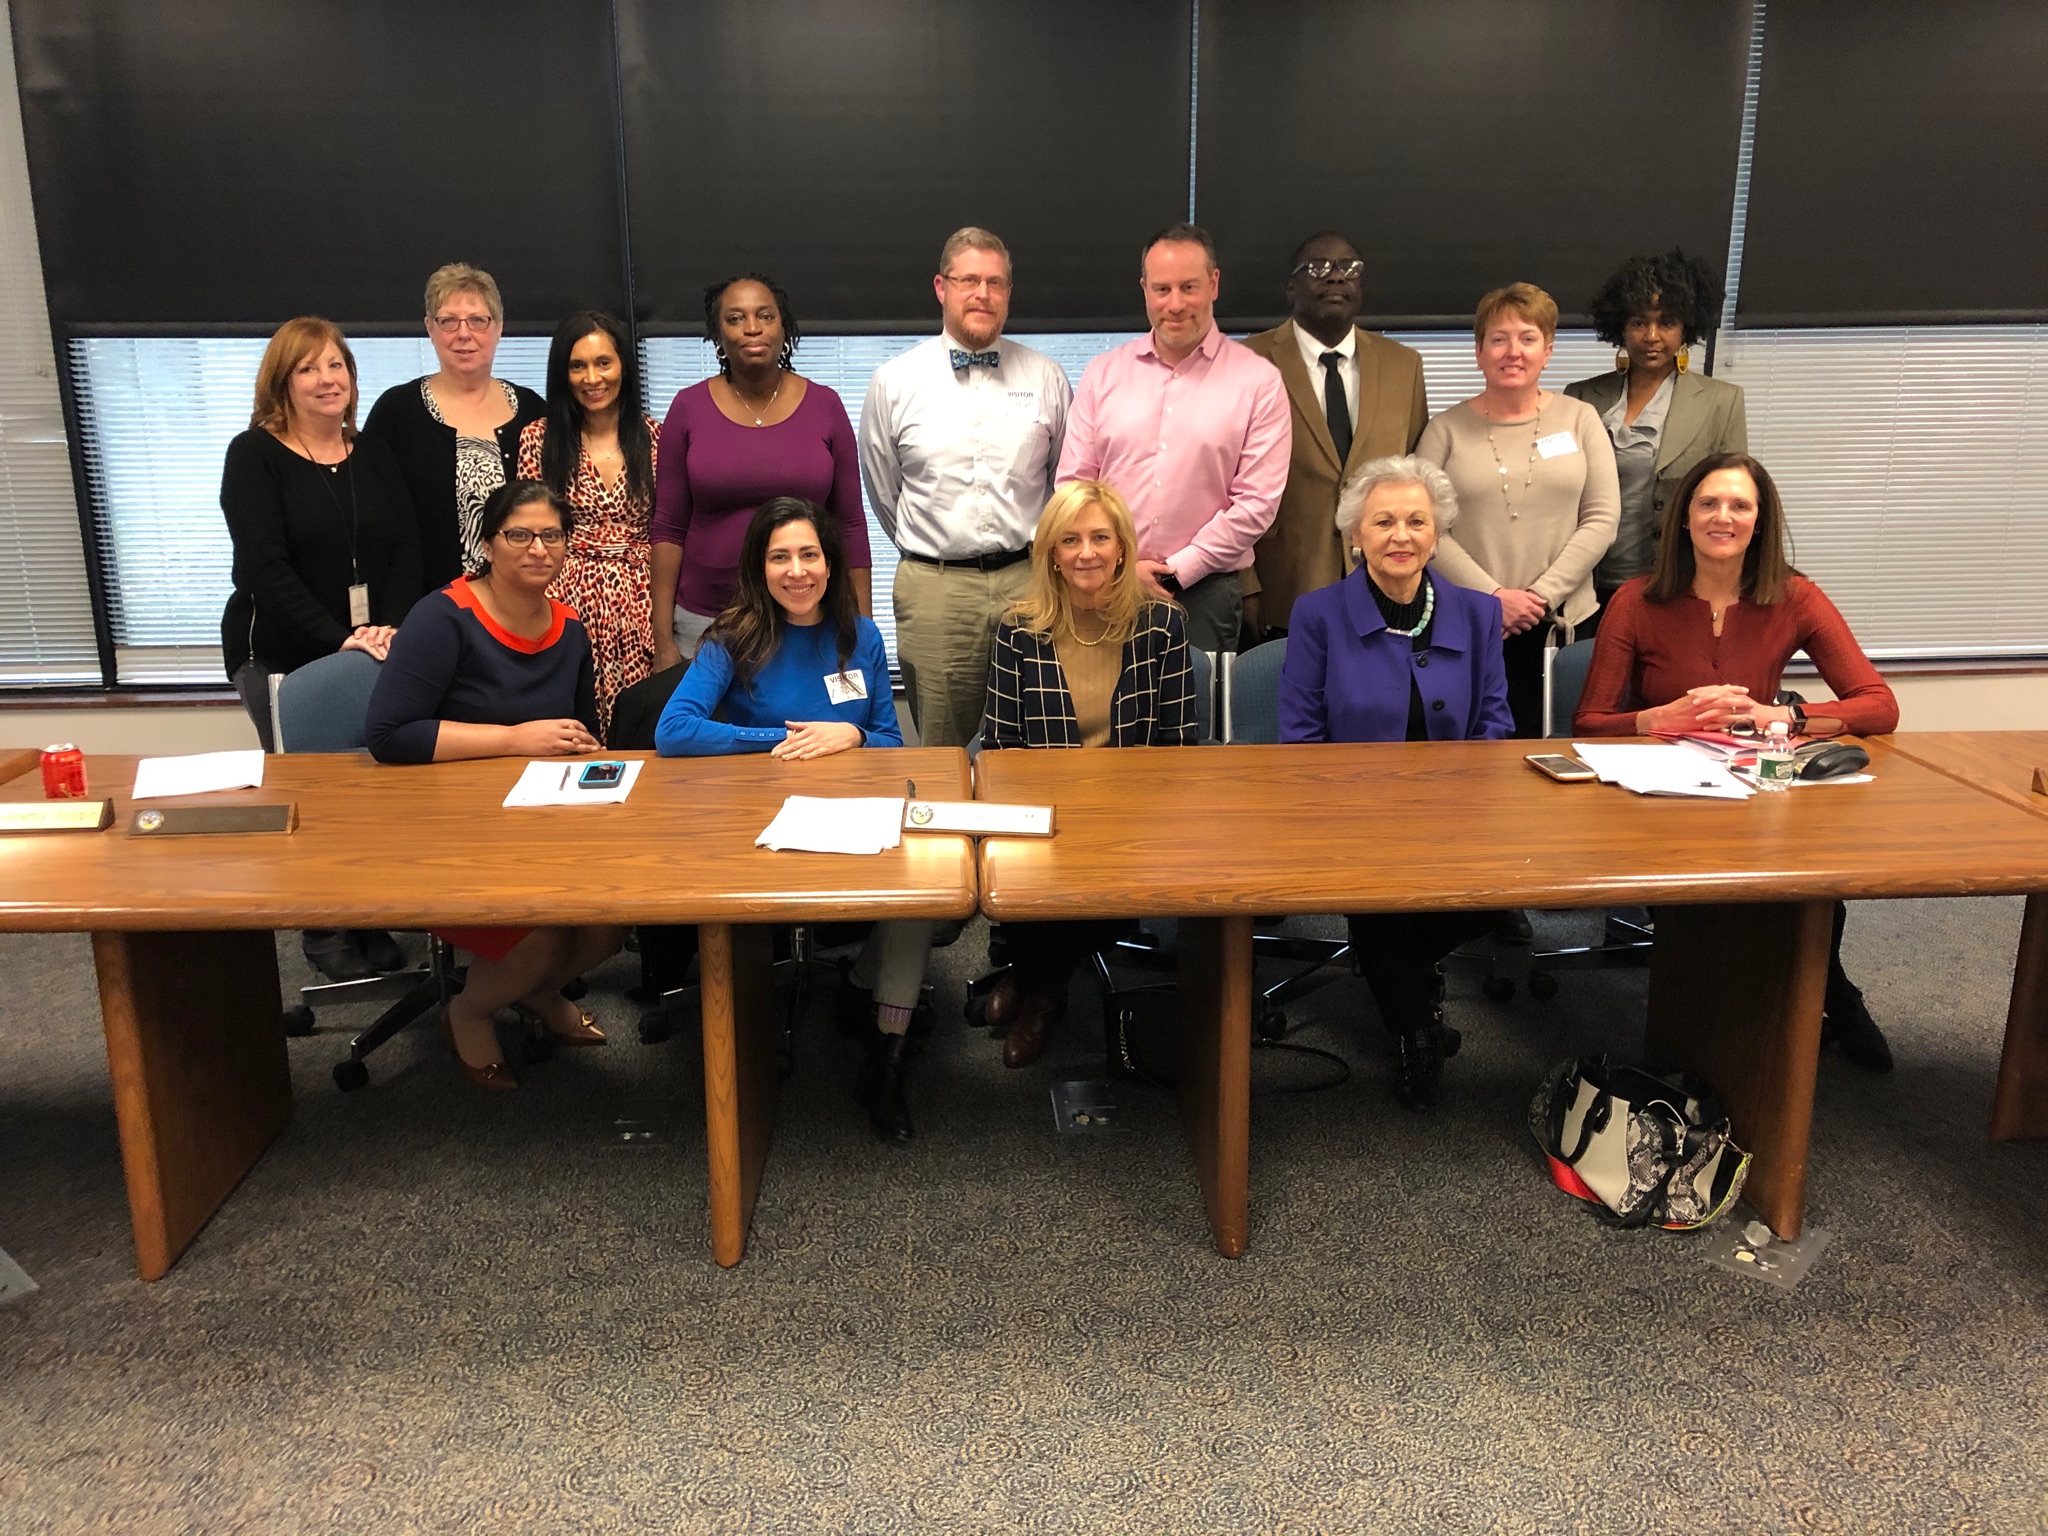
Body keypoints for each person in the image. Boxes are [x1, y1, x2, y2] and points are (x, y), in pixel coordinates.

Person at [1574, 451, 1900, 1072]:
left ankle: (1831, 994)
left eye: (1739, 505)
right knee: (1715, 914)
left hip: (1755, 791)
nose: (1722, 517)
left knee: (1811, 889)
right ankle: (1754, 1019)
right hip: (1663, 796)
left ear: (1759, 520)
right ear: (1684, 517)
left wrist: (1782, 715)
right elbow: (1588, 723)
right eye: (1708, 503)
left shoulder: (1796, 597)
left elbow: (1879, 706)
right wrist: (1658, 717)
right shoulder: (1638, 600)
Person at [655, 497, 928, 1142]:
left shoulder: (860, 636)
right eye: (780, 557)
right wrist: (782, 738)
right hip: (758, 822)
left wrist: (853, 737)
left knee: (925, 888)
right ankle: (778, 1013)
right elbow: (674, 730)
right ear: (760, 567)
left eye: (810, 555)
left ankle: (887, 1055)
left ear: (830, 565)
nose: (797, 570)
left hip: (849, 813)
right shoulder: (734, 635)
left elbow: (891, 743)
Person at [365, 480, 621, 1090]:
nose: (538, 548)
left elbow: (582, 727)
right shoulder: (443, 617)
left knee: (609, 924)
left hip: (541, 819)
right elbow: (389, 735)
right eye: (519, 535)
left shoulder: (570, 626)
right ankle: (470, 1012)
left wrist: (590, 751)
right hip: (451, 826)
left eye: (552, 535)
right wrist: (514, 739)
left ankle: (536, 994)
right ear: (488, 543)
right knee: (538, 935)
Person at [1277, 456, 1511, 1107]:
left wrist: (1454, 803)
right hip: (1350, 814)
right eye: (1383, 522)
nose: (1400, 535)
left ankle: (1397, 965)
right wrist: (1353, 809)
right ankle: (1415, 1030)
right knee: (1380, 896)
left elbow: (1494, 725)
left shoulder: (1477, 615)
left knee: (1501, 893)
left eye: (1416, 521)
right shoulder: (1318, 614)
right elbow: (1300, 736)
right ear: (1356, 534)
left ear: (1437, 533)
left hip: (1455, 811)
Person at [220, 315, 420, 982]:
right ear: (282, 383)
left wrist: (387, 627)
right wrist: (341, 637)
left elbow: (407, 549)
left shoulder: (373, 454)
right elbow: (264, 568)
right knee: (311, 788)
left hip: (373, 645)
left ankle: (367, 912)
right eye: (308, 368)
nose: (326, 379)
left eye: (337, 365)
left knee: (371, 785)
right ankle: (324, 925)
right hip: (280, 648)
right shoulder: (254, 455)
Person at [979, 480, 1199, 1066]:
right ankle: (1038, 978)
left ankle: (1039, 989)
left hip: (1134, 810)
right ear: (1051, 553)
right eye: (1070, 540)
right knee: (1032, 861)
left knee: (1090, 872)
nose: (1086, 553)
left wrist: (1131, 808)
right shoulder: (1018, 628)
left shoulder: (1163, 625)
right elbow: (1000, 746)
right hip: (1043, 806)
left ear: (1123, 548)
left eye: (1101, 538)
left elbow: (1180, 742)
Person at [859, 226, 1071, 748]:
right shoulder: (895, 381)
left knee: (1042, 734)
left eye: (996, 283)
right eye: (969, 280)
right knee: (944, 748)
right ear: (941, 287)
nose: (983, 294)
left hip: (1030, 582)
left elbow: (1063, 483)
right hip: (937, 589)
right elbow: (884, 491)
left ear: (1009, 293)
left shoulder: (1045, 377)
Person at [1057, 223, 1289, 655]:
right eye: (1162, 289)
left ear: (1214, 284)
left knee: (1195, 702)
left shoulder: (1258, 381)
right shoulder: (1103, 375)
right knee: (1098, 699)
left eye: (1189, 287)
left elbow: (1258, 503)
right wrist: (1120, 567)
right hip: (1106, 583)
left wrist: (1179, 569)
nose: (1175, 304)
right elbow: (1074, 486)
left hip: (1206, 592)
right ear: (1144, 290)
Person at [1417, 281, 1620, 738]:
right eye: (1499, 339)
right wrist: (1492, 599)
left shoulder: (1581, 419)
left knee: (1559, 754)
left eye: (1528, 338)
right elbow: (1425, 528)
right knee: (1471, 755)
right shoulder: (1444, 430)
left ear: (1547, 351)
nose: (1514, 352)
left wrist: (1540, 596)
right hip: (1469, 626)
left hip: (1563, 625)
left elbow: (1602, 518)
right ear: (1478, 352)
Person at [650, 275, 871, 672]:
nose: (752, 328)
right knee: (707, 714)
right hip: (706, 618)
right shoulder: (687, 408)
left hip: (808, 615)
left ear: (784, 328)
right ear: (718, 335)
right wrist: (662, 639)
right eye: (735, 318)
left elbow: (851, 524)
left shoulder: (826, 406)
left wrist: (861, 630)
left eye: (765, 316)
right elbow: (668, 528)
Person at [1241, 231, 1428, 640]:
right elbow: (1222, 482)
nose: (1336, 277)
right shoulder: (1246, 362)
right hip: (1281, 587)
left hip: (1385, 586)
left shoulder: (1404, 366)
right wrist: (1244, 582)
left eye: (1349, 268)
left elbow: (1415, 478)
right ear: (1291, 288)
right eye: (1318, 268)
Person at [1565, 250, 1748, 622]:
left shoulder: (1721, 401)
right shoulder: (1581, 397)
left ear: (1686, 328)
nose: (1651, 336)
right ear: (1620, 327)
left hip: (1676, 587)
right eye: (1638, 322)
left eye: (1666, 322)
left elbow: (1733, 502)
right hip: (1588, 588)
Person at [517, 310, 660, 739]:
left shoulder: (657, 437)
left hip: (641, 602)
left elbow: (669, 530)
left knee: (640, 725)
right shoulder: (538, 438)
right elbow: (530, 531)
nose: (592, 378)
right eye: (577, 366)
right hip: (564, 599)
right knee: (569, 725)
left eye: (603, 363)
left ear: (623, 367)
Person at [362, 263, 546, 589]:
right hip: (426, 604)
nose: (464, 334)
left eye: (477, 320)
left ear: (499, 327)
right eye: (448, 321)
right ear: (430, 328)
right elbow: (373, 524)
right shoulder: (395, 413)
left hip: (522, 602)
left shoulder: (533, 411)